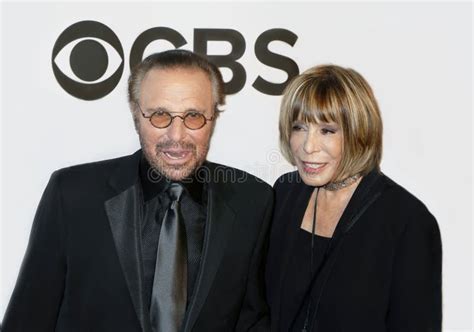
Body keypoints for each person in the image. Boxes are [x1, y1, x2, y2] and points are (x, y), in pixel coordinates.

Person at [2, 50, 273, 332]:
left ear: (213, 116)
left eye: (193, 116)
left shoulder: (251, 201)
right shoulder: (72, 196)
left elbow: (251, 321)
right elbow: (29, 318)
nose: (176, 136)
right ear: (135, 112)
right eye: (159, 115)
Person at [265, 65, 442, 331]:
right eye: (299, 127)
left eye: (327, 130)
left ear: (359, 133)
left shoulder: (406, 221)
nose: (308, 146)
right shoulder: (285, 193)